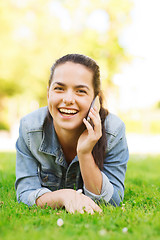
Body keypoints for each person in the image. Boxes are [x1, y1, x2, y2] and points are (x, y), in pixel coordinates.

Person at [15, 54, 129, 214]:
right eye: (59, 89)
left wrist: (84, 153)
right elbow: (25, 192)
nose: (68, 99)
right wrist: (65, 196)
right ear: (48, 93)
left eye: (80, 91)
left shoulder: (113, 131)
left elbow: (113, 200)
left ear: (95, 99)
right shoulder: (30, 128)